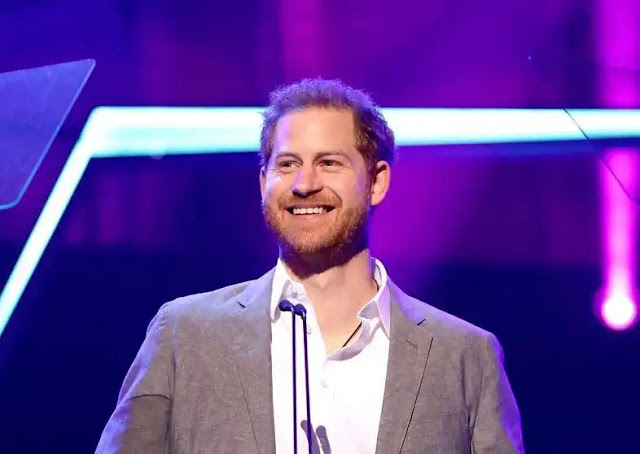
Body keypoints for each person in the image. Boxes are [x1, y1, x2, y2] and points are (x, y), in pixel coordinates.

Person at [96, 78, 524, 453]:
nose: (304, 184)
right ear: (263, 183)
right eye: (287, 165)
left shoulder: (464, 355)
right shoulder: (184, 335)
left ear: (376, 182)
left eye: (329, 163)